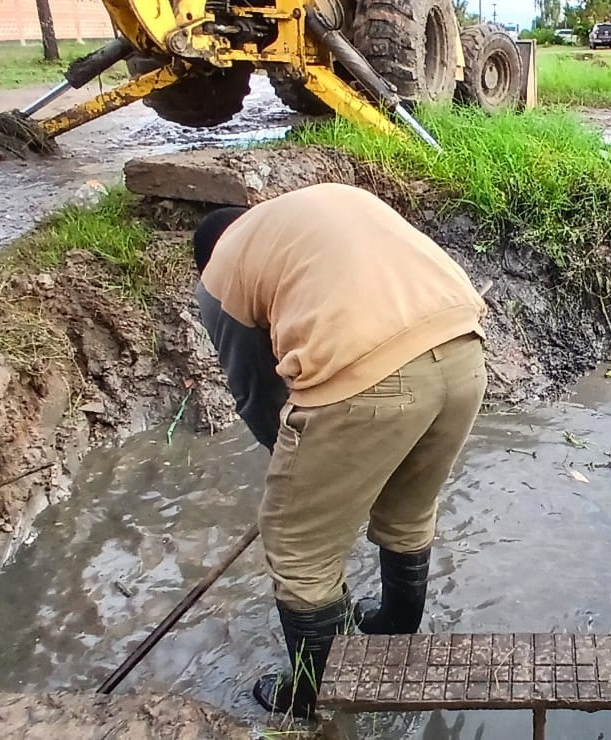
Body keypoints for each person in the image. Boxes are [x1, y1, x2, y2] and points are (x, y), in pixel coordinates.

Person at [192, 182, 489, 719]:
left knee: (297, 548)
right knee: (408, 509)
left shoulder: (220, 274)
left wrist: (296, 475)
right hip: (464, 350)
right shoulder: (314, 212)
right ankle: (394, 639)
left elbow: (256, 393)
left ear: (208, 258)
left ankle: (315, 696)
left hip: (367, 373)